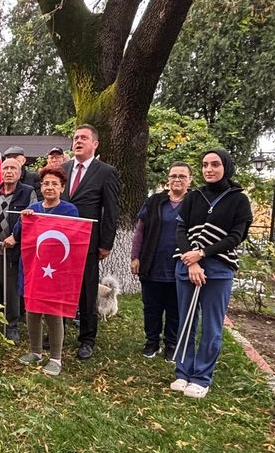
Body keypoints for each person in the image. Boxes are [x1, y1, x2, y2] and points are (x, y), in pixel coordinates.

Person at [171, 150, 252, 399]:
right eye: (205, 165)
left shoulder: (238, 200)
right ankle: (183, 371)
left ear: (226, 167)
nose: (209, 169)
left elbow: (235, 237)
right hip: (187, 267)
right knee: (186, 321)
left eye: (215, 164)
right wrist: (191, 261)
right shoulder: (194, 196)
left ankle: (201, 377)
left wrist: (202, 254)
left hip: (218, 271)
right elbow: (181, 228)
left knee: (211, 326)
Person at [8, 167, 78, 376]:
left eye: (54, 184)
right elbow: (18, 234)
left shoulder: (70, 210)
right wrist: (24, 219)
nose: (49, 187)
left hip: (56, 270)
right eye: (46, 183)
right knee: (32, 311)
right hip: (34, 268)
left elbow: (73, 237)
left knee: (53, 313)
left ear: (62, 188)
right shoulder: (33, 208)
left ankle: (56, 358)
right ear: (41, 186)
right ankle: (36, 352)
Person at [61, 124, 119, 360]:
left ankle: (87, 338)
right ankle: (58, 330)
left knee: (86, 290)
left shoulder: (105, 171)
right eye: (75, 138)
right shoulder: (63, 169)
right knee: (62, 288)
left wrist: (106, 243)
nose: (78, 141)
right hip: (62, 242)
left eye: (84, 138)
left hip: (88, 242)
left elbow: (111, 210)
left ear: (95, 144)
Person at [131, 162, 192, 360]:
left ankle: (171, 344)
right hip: (152, 263)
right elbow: (140, 230)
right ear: (168, 179)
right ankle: (151, 342)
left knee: (175, 308)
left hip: (180, 267)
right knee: (152, 307)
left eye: (182, 176)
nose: (177, 180)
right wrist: (135, 256)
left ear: (189, 180)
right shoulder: (155, 201)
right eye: (173, 176)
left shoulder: (194, 203)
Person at [0, 157, 37, 342]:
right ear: (0, 172)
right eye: (5, 168)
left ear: (20, 173)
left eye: (13, 168)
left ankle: (11, 326)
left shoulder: (28, 193)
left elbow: (32, 222)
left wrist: (16, 238)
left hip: (11, 252)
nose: (9, 171)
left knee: (10, 291)